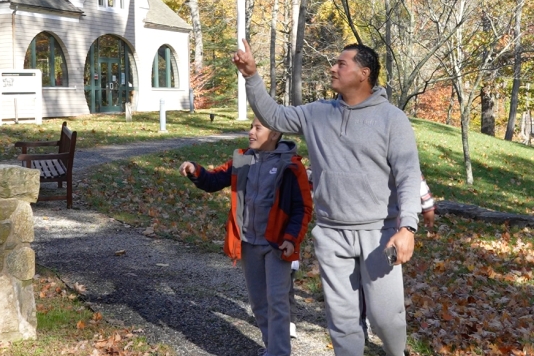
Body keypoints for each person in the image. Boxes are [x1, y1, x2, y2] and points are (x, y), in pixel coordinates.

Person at [234, 41, 422, 356]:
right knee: (342, 321)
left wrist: (408, 227)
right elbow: (275, 116)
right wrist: (252, 76)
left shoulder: (393, 119)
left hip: (380, 233)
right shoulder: (318, 113)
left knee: (385, 317)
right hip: (332, 233)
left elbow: (408, 175)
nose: (333, 68)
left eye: (341, 63)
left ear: (364, 74)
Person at [181, 117, 313, 356]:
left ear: (274, 134)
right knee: (259, 303)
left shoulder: (291, 166)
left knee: (277, 302)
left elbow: (302, 208)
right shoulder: (242, 160)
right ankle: (271, 347)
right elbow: (213, 180)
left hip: (277, 245)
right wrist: (195, 170)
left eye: (257, 128)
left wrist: (291, 238)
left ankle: (280, 352)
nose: (250, 132)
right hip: (249, 243)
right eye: (251, 127)